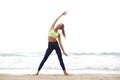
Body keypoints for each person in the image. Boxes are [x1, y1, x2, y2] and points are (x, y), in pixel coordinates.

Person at [34, 11, 69, 75]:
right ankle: (37, 72)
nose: (58, 25)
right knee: (44, 59)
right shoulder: (52, 28)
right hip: (50, 46)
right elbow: (56, 19)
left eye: (60, 25)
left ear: (60, 28)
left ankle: (65, 72)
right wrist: (62, 14)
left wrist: (63, 51)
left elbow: (60, 43)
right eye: (59, 24)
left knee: (60, 59)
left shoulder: (58, 34)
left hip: (56, 45)